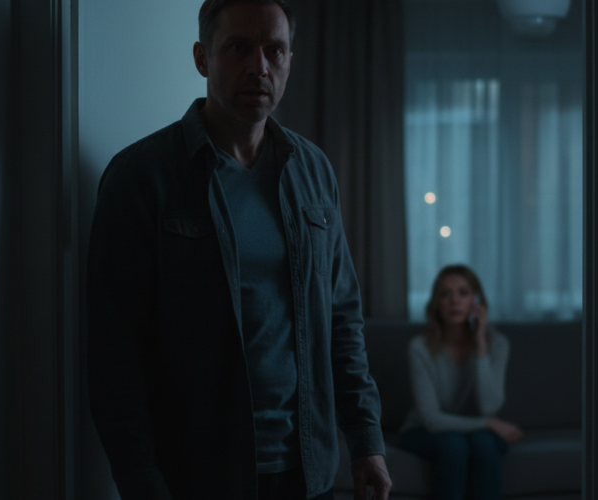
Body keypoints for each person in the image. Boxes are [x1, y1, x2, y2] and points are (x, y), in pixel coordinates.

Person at [86, 1, 392, 499]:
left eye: (274, 50)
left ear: (290, 59)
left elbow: (342, 321)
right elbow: (113, 353)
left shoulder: (313, 171)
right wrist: (139, 480)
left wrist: (366, 441)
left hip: (307, 471)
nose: (259, 67)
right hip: (198, 476)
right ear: (202, 58)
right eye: (239, 48)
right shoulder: (142, 177)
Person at [398, 265, 523, 500]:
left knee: (484, 444)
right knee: (453, 444)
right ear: (436, 304)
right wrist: (488, 423)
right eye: (445, 294)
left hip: (477, 434)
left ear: (476, 301)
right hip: (424, 430)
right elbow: (431, 419)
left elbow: (489, 406)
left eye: (463, 293)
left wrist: (481, 347)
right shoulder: (420, 348)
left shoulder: (497, 344)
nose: (454, 300)